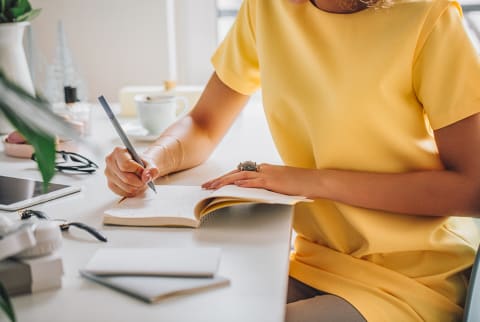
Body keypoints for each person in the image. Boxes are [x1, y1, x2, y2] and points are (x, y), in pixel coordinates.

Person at [105, 0, 480, 320]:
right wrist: (150, 158)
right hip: (315, 258)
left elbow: (471, 190)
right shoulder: (267, 8)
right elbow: (203, 123)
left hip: (410, 275)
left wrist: (310, 180)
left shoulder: (427, 18)